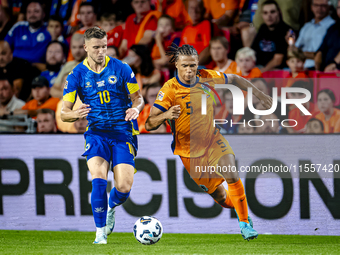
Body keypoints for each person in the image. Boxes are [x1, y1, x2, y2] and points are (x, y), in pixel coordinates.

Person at [145, 44, 273, 240]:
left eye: (193, 66)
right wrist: (166, 115)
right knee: (222, 198)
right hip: (188, 152)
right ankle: (242, 211)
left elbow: (236, 79)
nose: (190, 70)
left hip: (212, 139)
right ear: (177, 65)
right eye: (185, 66)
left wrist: (260, 94)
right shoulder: (169, 90)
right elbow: (149, 123)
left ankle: (245, 223)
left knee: (231, 172)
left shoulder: (206, 76)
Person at [60, 27, 144, 244]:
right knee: (98, 179)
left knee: (123, 187)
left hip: (122, 132)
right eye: (96, 47)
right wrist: (74, 114)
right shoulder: (76, 75)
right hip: (96, 133)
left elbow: (138, 98)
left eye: (104, 46)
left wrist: (136, 108)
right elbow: (63, 113)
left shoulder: (122, 68)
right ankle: (100, 233)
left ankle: (111, 207)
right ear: (86, 47)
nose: (101, 51)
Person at [5, 2, 52, 68]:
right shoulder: (18, 27)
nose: (32, 14)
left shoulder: (49, 28)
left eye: (36, 11)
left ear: (43, 14)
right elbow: (4, 45)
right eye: (29, 12)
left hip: (36, 68)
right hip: (14, 65)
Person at [251, 0, 291, 72]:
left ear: (279, 12)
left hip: (277, 71)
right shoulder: (263, 28)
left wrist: (261, 72)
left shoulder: (285, 30)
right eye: (265, 13)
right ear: (262, 15)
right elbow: (252, 51)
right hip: (260, 67)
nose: (269, 16)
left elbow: (277, 61)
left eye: (272, 12)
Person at [180, 0, 223, 65]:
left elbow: (208, 49)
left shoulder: (206, 24)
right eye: (191, 8)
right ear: (187, 10)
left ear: (203, 10)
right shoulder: (186, 29)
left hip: (201, 66)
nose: (194, 12)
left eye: (197, 8)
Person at [295, 0, 334, 69]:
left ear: (329, 7)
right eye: (316, 5)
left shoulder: (333, 27)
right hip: (300, 67)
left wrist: (303, 54)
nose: (319, 9)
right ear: (312, 7)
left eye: (323, 6)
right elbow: (295, 49)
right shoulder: (307, 26)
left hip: (319, 68)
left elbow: (325, 55)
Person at [51, 33, 86, 98]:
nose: (77, 51)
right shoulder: (68, 65)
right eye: (74, 47)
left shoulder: (93, 65)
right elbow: (53, 90)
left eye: (81, 47)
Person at [314, 0, 340, 71]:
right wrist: (317, 67)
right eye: (339, 8)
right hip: (326, 71)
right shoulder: (333, 28)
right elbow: (321, 50)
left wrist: (334, 64)